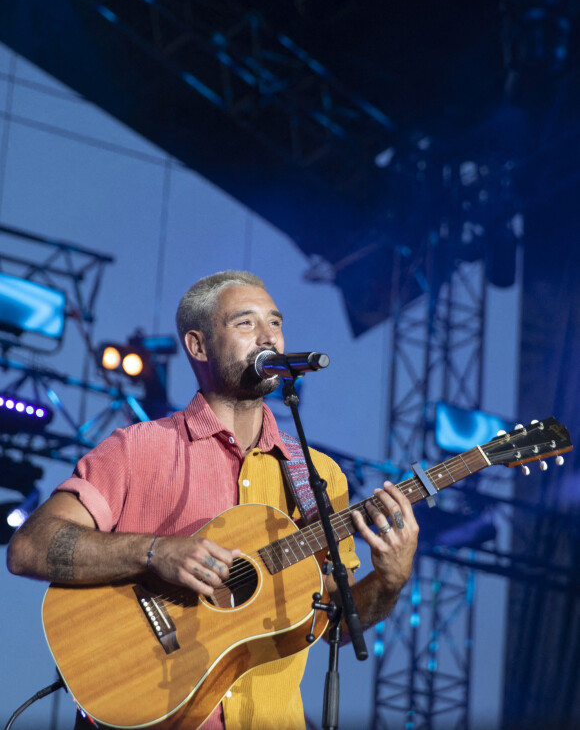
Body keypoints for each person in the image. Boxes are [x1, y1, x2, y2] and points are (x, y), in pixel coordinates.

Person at [7, 270, 419, 730]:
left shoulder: (319, 476)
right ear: (198, 346)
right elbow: (29, 547)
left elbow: (335, 628)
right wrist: (154, 552)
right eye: (246, 323)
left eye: (276, 323)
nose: (269, 336)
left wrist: (391, 579)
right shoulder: (136, 449)